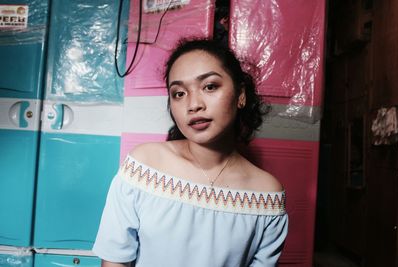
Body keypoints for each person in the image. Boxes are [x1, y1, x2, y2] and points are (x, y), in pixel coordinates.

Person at [92, 38, 288, 267]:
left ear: (241, 95)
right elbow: (115, 261)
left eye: (210, 86)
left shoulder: (267, 196)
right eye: (179, 93)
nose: (193, 105)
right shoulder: (143, 167)